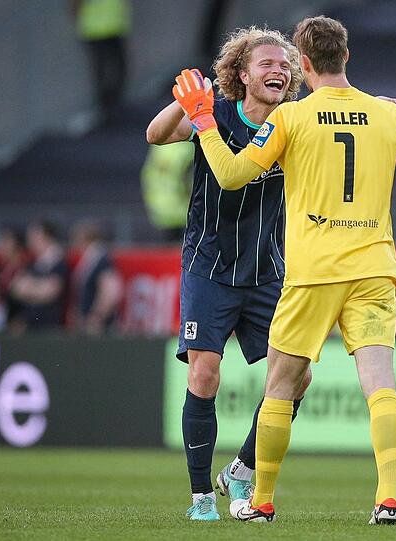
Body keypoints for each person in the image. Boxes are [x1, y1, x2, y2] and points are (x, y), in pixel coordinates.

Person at [173, 15, 396, 524]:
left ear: (302, 64)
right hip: (372, 270)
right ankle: (387, 500)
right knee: (381, 387)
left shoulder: (293, 118)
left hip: (311, 272)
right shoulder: (388, 114)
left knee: (281, 385)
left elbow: (231, 176)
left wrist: (206, 125)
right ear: (347, 57)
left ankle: (261, 501)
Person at [146, 27, 311, 522]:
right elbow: (155, 135)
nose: (279, 70)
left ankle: (241, 467)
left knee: (297, 378)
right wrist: (189, 102)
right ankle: (200, 499)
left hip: (266, 271)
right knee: (205, 373)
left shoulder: (294, 122)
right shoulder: (214, 115)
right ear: (242, 74)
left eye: (285, 65)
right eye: (267, 63)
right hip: (209, 268)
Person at [70, 0, 130, 117]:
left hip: (103, 27)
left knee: (107, 68)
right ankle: (109, 107)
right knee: (110, 68)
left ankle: (109, 106)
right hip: (105, 27)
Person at [9, 221, 69, 333]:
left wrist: (29, 287)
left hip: (49, 327)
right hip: (30, 325)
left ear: (45, 236)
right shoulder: (33, 262)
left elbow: (49, 292)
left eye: (34, 235)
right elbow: (15, 289)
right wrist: (38, 287)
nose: (30, 240)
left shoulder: (59, 262)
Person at [69, 220, 123, 335]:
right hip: (88, 323)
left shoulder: (102, 260)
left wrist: (97, 316)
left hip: (98, 326)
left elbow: (111, 292)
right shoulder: (91, 259)